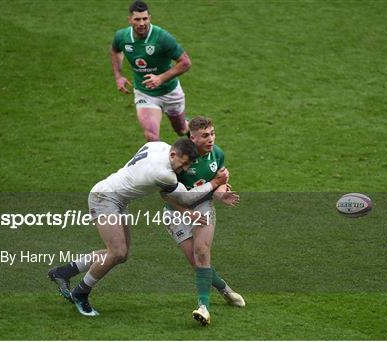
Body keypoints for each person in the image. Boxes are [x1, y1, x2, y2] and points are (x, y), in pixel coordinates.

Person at [48, 138, 235, 316]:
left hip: (118, 199)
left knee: (122, 254)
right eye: (183, 164)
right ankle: (81, 293)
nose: (184, 169)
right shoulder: (163, 174)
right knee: (117, 252)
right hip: (104, 198)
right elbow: (186, 197)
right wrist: (215, 183)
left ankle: (63, 272)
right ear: (173, 154)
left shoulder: (158, 145)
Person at [162, 117, 245, 326]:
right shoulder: (180, 159)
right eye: (205, 136)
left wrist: (221, 194)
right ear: (193, 137)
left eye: (213, 134)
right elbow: (166, 194)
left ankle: (203, 307)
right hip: (176, 211)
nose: (211, 139)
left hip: (203, 207)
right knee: (196, 263)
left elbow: (219, 184)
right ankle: (224, 289)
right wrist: (185, 211)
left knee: (201, 251)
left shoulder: (217, 154)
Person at [110, 0, 192, 142]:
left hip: (170, 91)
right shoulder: (121, 37)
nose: (142, 23)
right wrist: (118, 76)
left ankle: (194, 130)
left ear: (150, 18)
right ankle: (161, 164)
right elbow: (115, 51)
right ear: (129, 20)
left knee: (181, 130)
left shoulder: (162, 37)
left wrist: (160, 78)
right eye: (137, 19)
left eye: (145, 19)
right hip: (145, 93)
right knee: (151, 136)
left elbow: (185, 63)